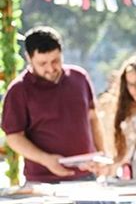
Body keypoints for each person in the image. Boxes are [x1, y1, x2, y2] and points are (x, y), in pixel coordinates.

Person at [1, 26, 106, 183]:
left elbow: (93, 119)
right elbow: (14, 137)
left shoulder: (80, 78)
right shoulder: (19, 90)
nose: (50, 68)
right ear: (29, 58)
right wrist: (46, 159)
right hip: (42, 181)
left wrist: (101, 154)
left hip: (87, 176)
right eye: (42, 63)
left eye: (55, 61)